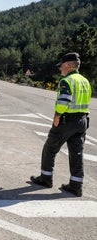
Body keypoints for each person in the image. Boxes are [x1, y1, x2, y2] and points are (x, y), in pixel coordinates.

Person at [30, 52, 92, 197]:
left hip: (67, 120)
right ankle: (76, 185)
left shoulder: (67, 81)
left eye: (62, 66)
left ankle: (45, 178)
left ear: (69, 65)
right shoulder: (85, 81)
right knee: (76, 153)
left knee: (50, 149)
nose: (60, 69)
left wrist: (57, 115)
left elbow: (64, 101)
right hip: (82, 120)